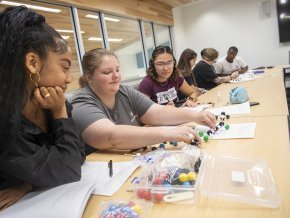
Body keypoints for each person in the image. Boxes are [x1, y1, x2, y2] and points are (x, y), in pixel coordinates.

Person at [0, 6, 85, 210]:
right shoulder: (5, 118)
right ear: (32, 63)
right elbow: (68, 169)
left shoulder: (54, 101)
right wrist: (60, 114)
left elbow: (78, 154)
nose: (69, 78)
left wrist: (27, 184)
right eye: (64, 67)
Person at [70, 48, 216, 155]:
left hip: (132, 157)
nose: (116, 76)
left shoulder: (125, 91)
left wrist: (195, 115)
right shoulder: (81, 103)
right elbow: (110, 136)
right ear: (89, 77)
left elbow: (157, 112)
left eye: (118, 70)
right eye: (107, 72)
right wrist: (169, 133)